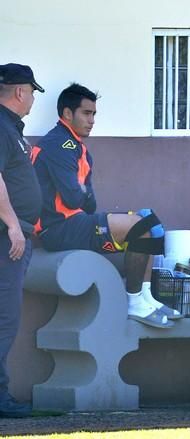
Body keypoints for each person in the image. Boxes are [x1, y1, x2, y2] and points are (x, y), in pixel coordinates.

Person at [32, 83, 181, 329]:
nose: (92, 120)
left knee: (149, 221)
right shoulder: (59, 145)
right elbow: (74, 198)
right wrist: (82, 194)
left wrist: (82, 194)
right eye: (86, 113)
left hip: (75, 222)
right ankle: (133, 301)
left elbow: (88, 201)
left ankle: (146, 298)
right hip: (57, 228)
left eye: (94, 114)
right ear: (68, 114)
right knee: (140, 226)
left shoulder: (78, 148)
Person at [0, 63, 44, 418]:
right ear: (20, 92)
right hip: (5, 238)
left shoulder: (9, 127)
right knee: (4, 319)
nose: (32, 99)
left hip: (13, 234)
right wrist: (13, 224)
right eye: (31, 92)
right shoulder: (1, 126)